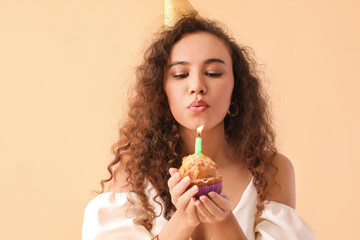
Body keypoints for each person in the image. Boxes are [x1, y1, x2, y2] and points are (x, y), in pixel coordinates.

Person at [82, 13, 316, 240]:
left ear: (236, 88)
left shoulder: (271, 170)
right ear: (162, 91)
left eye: (213, 73)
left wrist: (223, 221)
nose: (197, 86)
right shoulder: (132, 171)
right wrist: (183, 220)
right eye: (180, 74)